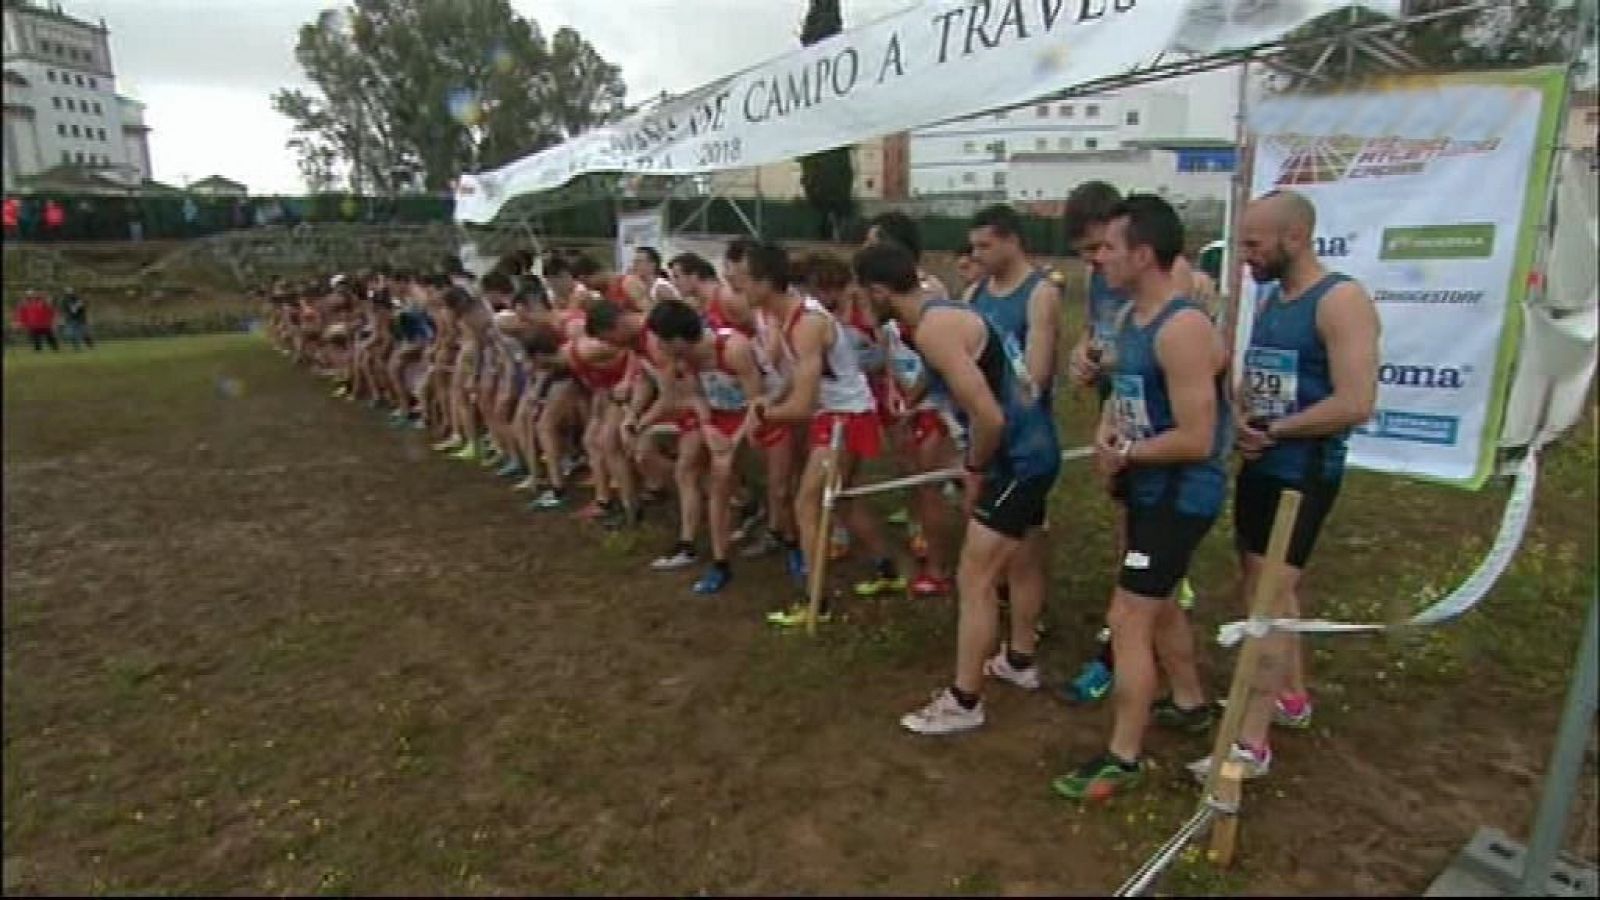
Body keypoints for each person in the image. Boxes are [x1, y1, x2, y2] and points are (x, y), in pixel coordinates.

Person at [1185, 190, 1380, 783]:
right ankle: (1291, 696)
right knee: (1259, 587)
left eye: (1253, 243)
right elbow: (1261, 379)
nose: (1243, 255)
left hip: (1304, 474)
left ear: (1293, 238)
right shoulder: (1273, 297)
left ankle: (1251, 742)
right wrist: (1244, 416)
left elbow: (1356, 401)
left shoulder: (1341, 301)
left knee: (1267, 603)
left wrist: (1279, 430)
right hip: (1263, 466)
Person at [1052, 194, 1229, 800]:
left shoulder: (1182, 327)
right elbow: (1127, 399)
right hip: (1148, 484)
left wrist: (1126, 454)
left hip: (1182, 492)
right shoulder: (1130, 318)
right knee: (1161, 606)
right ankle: (1189, 702)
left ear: (1144, 254)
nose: (1098, 260)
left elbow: (1198, 436)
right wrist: (1107, 432)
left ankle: (1122, 758)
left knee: (1128, 618)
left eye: (1108, 248)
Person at [853, 241, 1061, 734]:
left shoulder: (932, 329)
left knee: (975, 575)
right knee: (1024, 556)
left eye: (863, 294)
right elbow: (951, 365)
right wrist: (916, 397)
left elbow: (988, 416)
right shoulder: (939, 311)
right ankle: (1019, 659)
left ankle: (964, 702)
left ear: (880, 291)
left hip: (1018, 460)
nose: (862, 303)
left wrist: (974, 468)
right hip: (1034, 447)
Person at [744, 242, 890, 629]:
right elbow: (795, 375)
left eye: (741, 280)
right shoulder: (789, 317)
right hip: (841, 413)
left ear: (764, 283)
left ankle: (817, 601)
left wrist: (763, 415)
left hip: (846, 418)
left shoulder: (806, 322)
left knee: (807, 504)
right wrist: (770, 398)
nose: (733, 286)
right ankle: (888, 570)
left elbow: (802, 407)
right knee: (841, 502)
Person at [963, 204, 1063, 692]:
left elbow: (1038, 376)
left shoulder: (1040, 293)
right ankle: (1018, 656)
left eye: (984, 245)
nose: (976, 255)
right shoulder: (975, 293)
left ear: (1011, 241)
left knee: (1007, 558)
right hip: (991, 437)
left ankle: (1014, 657)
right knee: (1017, 551)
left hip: (1025, 443)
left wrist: (999, 399)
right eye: (973, 246)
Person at [643, 299, 768, 593]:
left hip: (752, 416)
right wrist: (709, 427)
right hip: (719, 418)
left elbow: (757, 403)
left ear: (677, 340)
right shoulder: (684, 358)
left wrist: (731, 442)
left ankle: (772, 534)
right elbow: (695, 398)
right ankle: (711, 555)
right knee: (702, 469)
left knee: (738, 477)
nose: (657, 347)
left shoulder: (733, 349)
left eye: (661, 341)